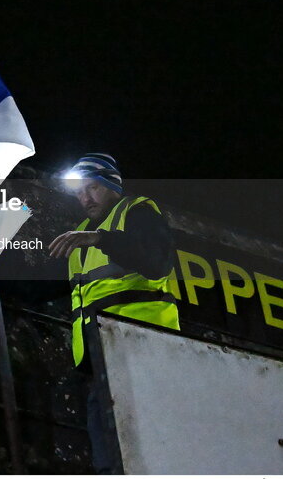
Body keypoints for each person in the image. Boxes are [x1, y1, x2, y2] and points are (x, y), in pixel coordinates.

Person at [48, 153, 179, 473]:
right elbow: (62, 292)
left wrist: (100, 238)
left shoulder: (138, 211)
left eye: (91, 188)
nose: (84, 198)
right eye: (79, 192)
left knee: (152, 449)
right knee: (109, 462)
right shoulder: (79, 233)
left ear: (111, 185)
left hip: (142, 348)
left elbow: (156, 260)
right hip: (97, 362)